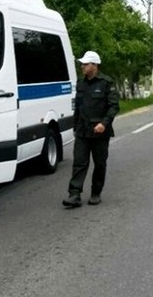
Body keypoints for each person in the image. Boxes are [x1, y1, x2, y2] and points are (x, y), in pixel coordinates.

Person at [62, 51, 119, 208]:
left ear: (94, 65)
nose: (82, 67)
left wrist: (104, 123)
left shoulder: (106, 82)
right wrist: (75, 125)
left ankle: (96, 193)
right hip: (82, 130)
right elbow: (78, 107)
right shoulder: (81, 83)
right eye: (82, 64)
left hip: (99, 131)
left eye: (85, 64)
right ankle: (74, 194)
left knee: (99, 163)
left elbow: (114, 106)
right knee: (79, 162)